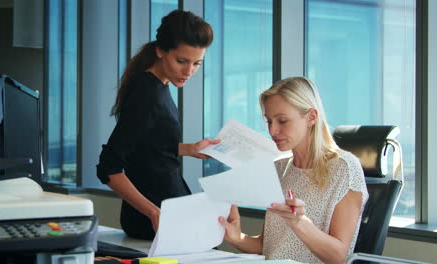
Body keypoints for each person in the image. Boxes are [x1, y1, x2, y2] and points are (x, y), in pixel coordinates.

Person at [96, 10, 219, 240]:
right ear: (160, 50)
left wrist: (191, 149)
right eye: (181, 61)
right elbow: (108, 167)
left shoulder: (158, 86)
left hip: (170, 212)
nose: (189, 71)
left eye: (197, 63)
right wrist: (154, 212)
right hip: (156, 221)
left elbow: (147, 147)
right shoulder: (147, 94)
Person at [218, 77, 369, 264]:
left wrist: (300, 223)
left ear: (311, 117)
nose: (272, 131)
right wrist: (236, 237)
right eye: (269, 121)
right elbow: (268, 247)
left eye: (282, 121)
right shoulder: (279, 169)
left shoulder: (344, 169)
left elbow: (338, 257)